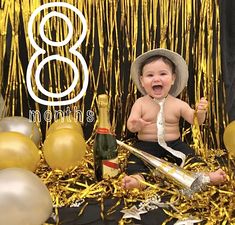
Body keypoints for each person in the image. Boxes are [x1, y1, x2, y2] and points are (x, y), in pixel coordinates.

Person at [122, 48, 227, 190]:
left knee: (190, 157)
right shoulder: (140, 103)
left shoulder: (177, 104)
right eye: (150, 75)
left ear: (173, 78)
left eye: (163, 74)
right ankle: (137, 180)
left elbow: (195, 120)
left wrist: (200, 112)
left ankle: (206, 177)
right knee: (135, 161)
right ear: (142, 80)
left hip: (174, 145)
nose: (156, 79)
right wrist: (136, 125)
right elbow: (131, 125)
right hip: (146, 145)